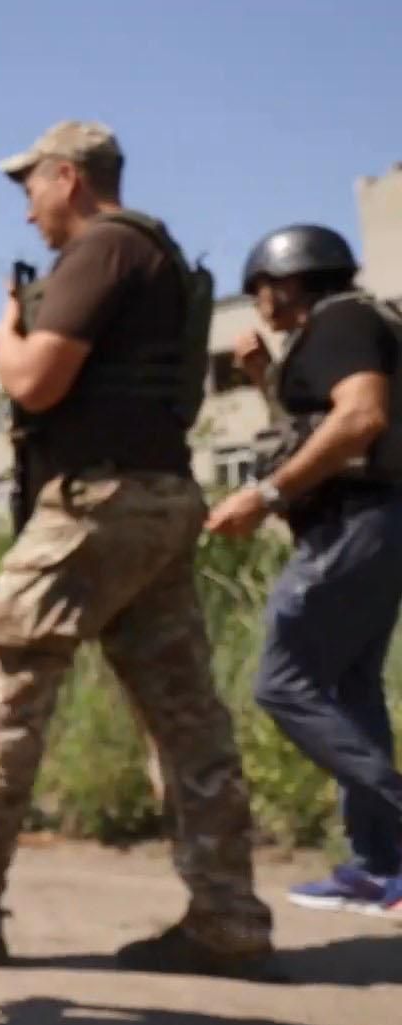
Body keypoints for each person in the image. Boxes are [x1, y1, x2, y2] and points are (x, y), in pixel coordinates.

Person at [0, 120, 279, 978]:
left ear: (68, 177)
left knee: (2, 689)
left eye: (31, 192)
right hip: (161, 498)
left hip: (97, 505)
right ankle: (228, 917)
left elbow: (33, 380)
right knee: (184, 713)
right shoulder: (160, 258)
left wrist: (10, 324)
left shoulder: (104, 249)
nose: (28, 216)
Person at [207, 223, 402, 917]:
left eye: (259, 288)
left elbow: (361, 418)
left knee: (283, 683)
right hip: (374, 524)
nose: (257, 302)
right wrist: (268, 379)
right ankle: (383, 869)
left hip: (353, 527)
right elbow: (317, 425)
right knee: (351, 692)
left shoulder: (341, 320)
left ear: (288, 281)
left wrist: (264, 496)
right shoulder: (352, 326)